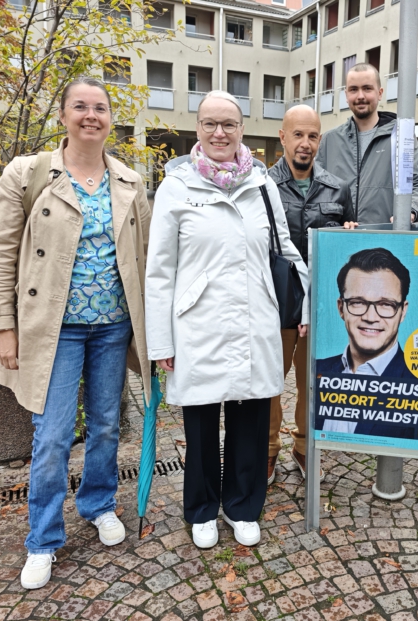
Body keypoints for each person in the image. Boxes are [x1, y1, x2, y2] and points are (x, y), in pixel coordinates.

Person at [0, 77, 152, 590]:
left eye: (99, 108)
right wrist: (3, 326)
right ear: (63, 115)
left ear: (110, 119)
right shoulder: (29, 174)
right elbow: (1, 252)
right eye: (80, 107)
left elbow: (146, 261)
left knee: (105, 425)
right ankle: (42, 539)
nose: (90, 116)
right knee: (53, 435)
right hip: (51, 329)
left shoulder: (129, 181)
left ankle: (99, 503)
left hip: (111, 325)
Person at [145, 90, 310, 550]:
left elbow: (285, 249)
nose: (220, 133)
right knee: (200, 425)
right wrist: (161, 342)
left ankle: (242, 506)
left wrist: (304, 301)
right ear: (197, 129)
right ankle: (200, 508)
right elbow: (159, 270)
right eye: (210, 124)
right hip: (197, 326)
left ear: (243, 131)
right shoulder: (176, 187)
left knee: (251, 419)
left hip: (255, 320)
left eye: (229, 124)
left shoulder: (261, 185)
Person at [266, 105, 353, 484]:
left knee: (313, 380)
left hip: (320, 305)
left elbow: (346, 246)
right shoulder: (262, 185)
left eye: (313, 136)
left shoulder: (337, 187)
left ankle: (304, 446)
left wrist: (351, 232)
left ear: (320, 139)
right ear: (282, 137)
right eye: (298, 135)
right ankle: (268, 449)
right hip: (276, 300)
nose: (305, 143)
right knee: (270, 381)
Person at [316, 248, 418, 443]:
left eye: (386, 305)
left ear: (402, 311)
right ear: (341, 308)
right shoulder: (317, 371)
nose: (370, 317)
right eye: (357, 302)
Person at [316, 63, 418, 224]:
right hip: (340, 238)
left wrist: (409, 212)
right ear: (346, 95)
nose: (360, 96)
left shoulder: (401, 138)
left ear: (380, 93)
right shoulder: (329, 140)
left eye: (367, 88)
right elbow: (317, 191)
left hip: (385, 239)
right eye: (354, 89)